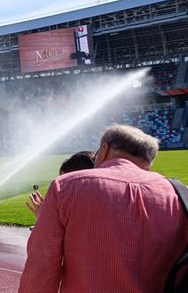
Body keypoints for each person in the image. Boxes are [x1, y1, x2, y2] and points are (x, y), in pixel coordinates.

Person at [19, 124, 188, 292]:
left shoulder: (65, 186)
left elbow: (41, 270)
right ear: (148, 163)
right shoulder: (181, 194)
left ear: (104, 150)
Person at [25, 151, 95, 220]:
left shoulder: (84, 214)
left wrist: (45, 218)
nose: (61, 190)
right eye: (62, 184)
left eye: (67, 184)